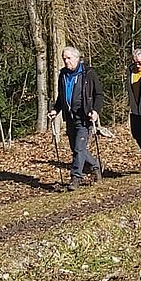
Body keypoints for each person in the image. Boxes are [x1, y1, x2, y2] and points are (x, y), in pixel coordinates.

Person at [48, 46, 104, 190]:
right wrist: (55, 110)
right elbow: (61, 97)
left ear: (77, 58)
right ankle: (95, 165)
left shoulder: (88, 73)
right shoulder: (63, 75)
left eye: (69, 58)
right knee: (76, 149)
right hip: (70, 117)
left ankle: (75, 178)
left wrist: (95, 111)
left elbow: (99, 94)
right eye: (64, 58)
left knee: (79, 149)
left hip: (84, 117)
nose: (66, 61)